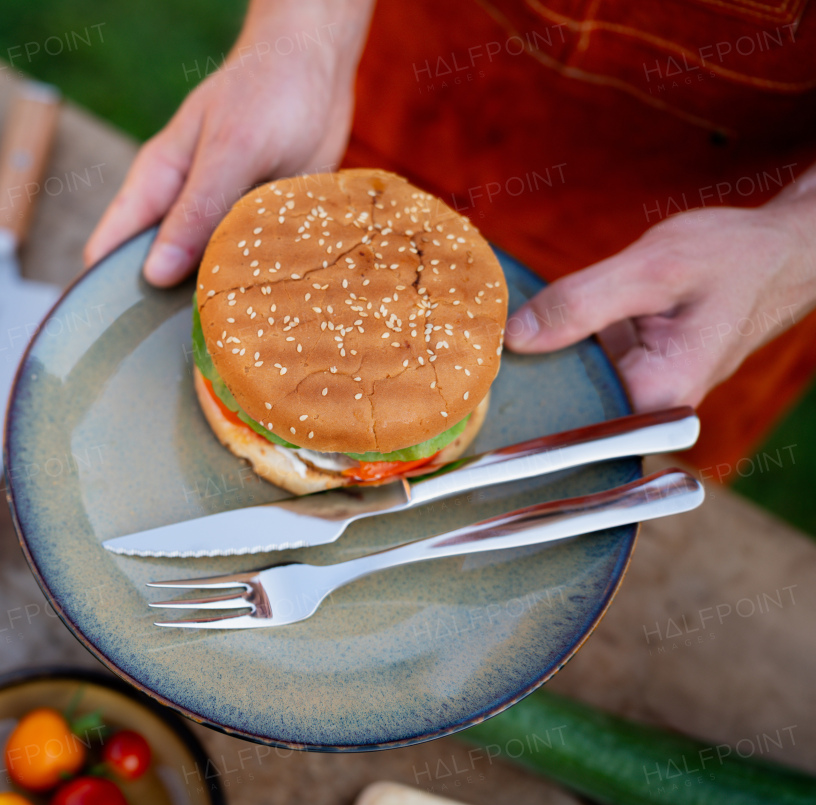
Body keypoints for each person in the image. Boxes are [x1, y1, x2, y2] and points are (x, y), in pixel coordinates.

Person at [84, 0, 816, 477]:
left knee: (621, 469)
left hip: (714, 244)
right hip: (391, 112)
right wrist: (301, 33)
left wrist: (794, 242)